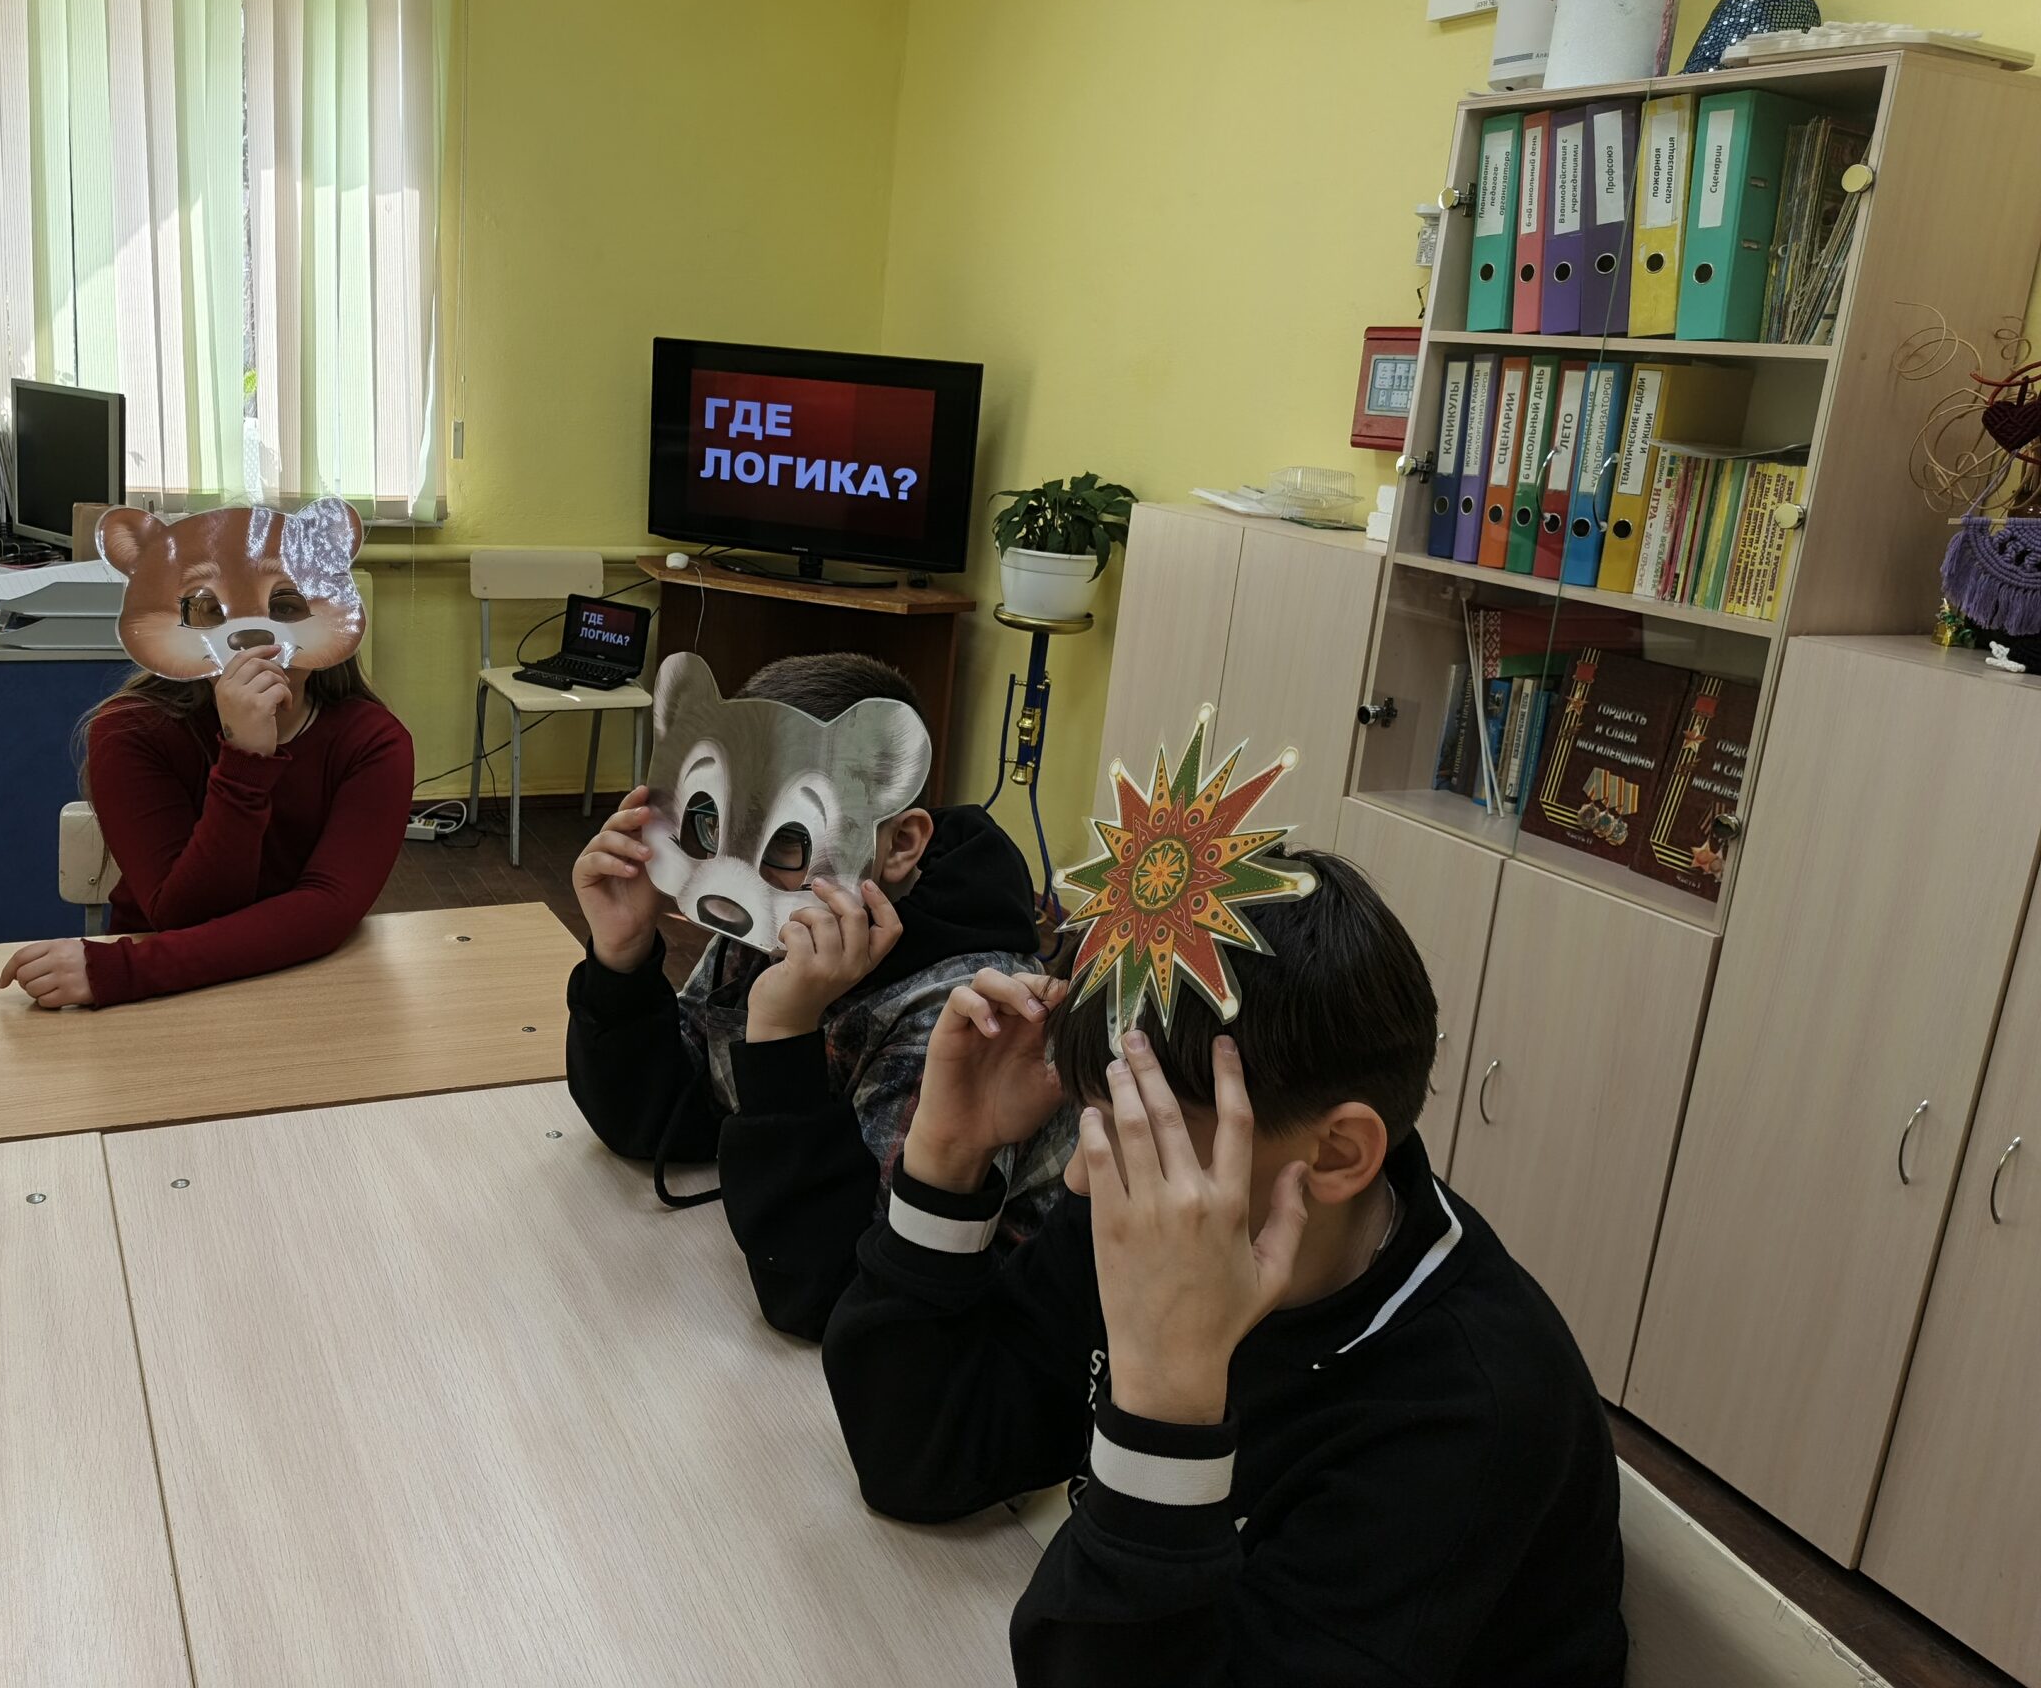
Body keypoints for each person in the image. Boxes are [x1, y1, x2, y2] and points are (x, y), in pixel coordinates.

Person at [820, 851, 1627, 1686]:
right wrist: (948, 1158)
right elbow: (919, 1456)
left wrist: (1169, 1397)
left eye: (1144, 1128)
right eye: (1094, 1118)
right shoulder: (1156, 1201)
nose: (1082, 1177)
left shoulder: (1466, 1415)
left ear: (1337, 1153)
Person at [564, 652, 1071, 1340]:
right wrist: (620, 959)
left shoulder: (964, 1011)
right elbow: (666, 1121)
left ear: (901, 845)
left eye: (786, 842)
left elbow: (840, 1293)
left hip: (957, 1346)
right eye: (712, 827)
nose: (733, 875)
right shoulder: (771, 907)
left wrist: (782, 1033)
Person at [0, 644, 412, 1009]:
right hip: (164, 1004)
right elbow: (187, 916)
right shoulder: (134, 728)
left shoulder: (372, 739)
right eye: (216, 608)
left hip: (312, 984)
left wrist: (124, 969)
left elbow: (326, 906)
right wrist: (245, 760)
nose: (257, 636)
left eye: (286, 606)